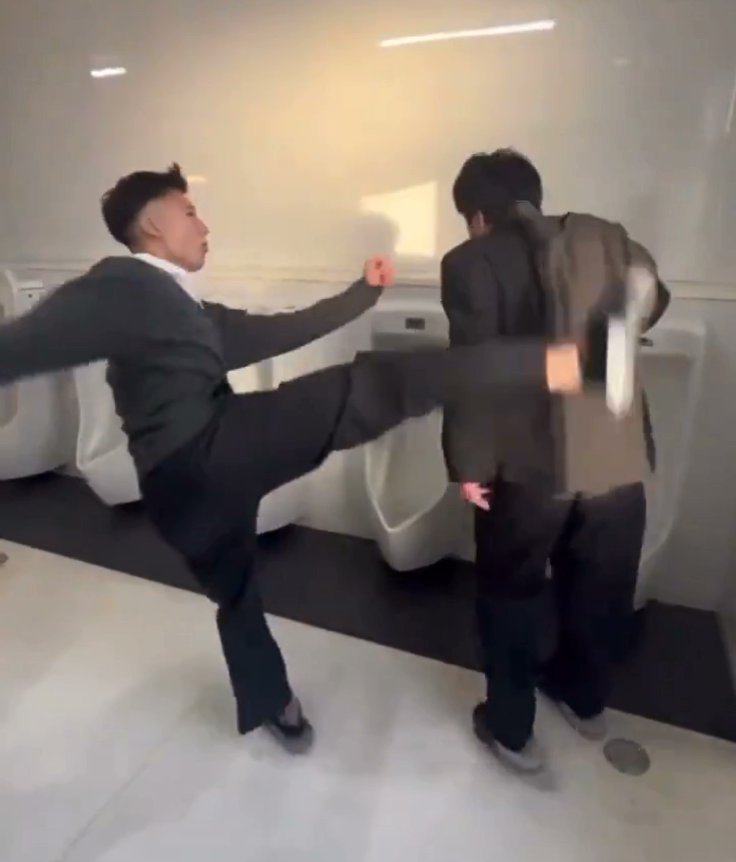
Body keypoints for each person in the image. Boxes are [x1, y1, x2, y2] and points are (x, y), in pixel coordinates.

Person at [0, 163, 596, 753]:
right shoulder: (121, 284)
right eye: (190, 211)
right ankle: (550, 362)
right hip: (207, 454)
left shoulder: (186, 312)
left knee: (237, 600)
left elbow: (282, 330)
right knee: (378, 383)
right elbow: (28, 343)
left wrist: (363, 293)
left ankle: (273, 704)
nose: (204, 226)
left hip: (181, 497)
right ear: (152, 224)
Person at [441, 149, 671, 773]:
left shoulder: (471, 262)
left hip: (528, 469)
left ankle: (511, 731)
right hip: (616, 457)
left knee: (510, 592)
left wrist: (468, 466)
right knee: (601, 585)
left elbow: (472, 373)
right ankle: (585, 701)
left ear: (477, 216)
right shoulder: (610, 242)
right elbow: (658, 299)